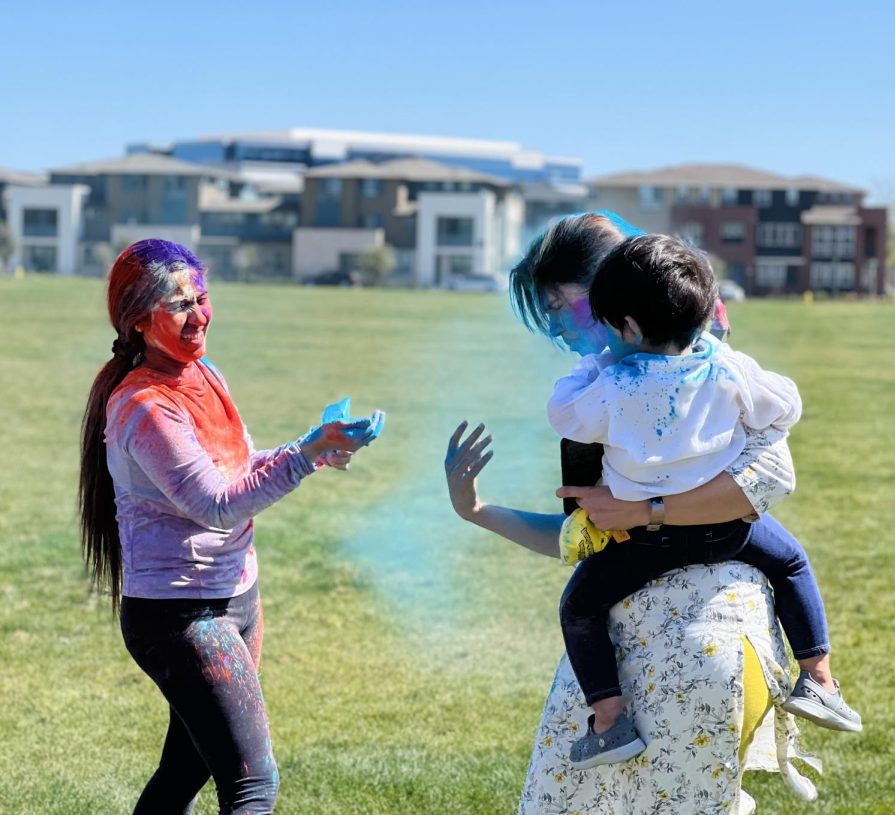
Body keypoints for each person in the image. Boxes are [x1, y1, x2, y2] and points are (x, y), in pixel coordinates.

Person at [444, 212, 822, 813]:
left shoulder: (715, 378)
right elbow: (590, 535)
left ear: (620, 299)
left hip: (702, 646)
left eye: (564, 309)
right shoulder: (610, 395)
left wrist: (646, 511)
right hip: (625, 652)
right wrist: (478, 511)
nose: (560, 333)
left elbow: (769, 480)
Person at [78, 239, 384, 815]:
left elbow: (234, 467)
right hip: (181, 616)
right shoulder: (144, 404)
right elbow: (215, 504)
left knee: (185, 768)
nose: (199, 315)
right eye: (179, 304)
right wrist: (305, 454)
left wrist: (315, 447)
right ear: (140, 322)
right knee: (253, 785)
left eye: (202, 297)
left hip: (237, 598)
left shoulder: (203, 373)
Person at [546, 234, 860, 768]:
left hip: (644, 541)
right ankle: (818, 678)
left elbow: (564, 413)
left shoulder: (612, 385)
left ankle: (608, 719)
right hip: (727, 527)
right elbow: (785, 406)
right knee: (791, 561)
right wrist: (730, 364)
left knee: (579, 607)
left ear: (630, 328)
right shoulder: (725, 369)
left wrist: (595, 366)